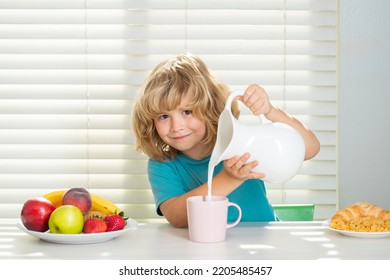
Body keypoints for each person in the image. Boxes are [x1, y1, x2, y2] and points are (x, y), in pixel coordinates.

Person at [131, 54, 320, 228]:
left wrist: (269, 111)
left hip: (264, 242)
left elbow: (309, 148)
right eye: (164, 116)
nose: (176, 126)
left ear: (210, 108)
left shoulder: (239, 143)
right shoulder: (163, 165)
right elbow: (178, 217)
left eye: (187, 112)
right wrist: (230, 178)